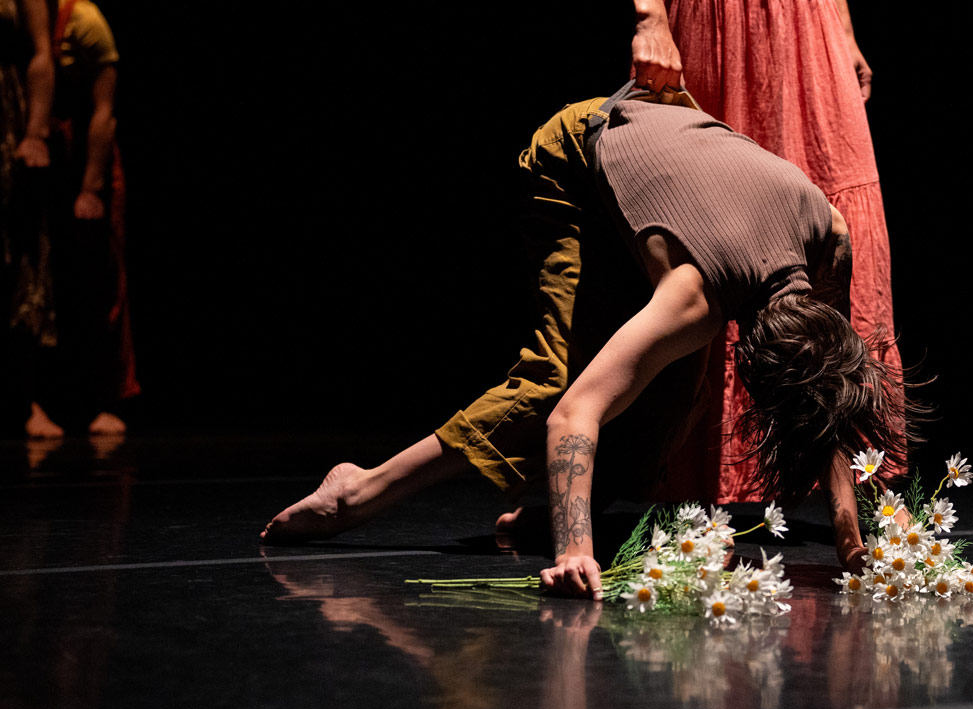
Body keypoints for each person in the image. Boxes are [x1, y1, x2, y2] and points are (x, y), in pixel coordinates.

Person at [262, 87, 917, 596]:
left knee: (671, 386)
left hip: (659, 176)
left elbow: (823, 391)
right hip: (574, 157)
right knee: (560, 381)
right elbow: (577, 414)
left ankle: (553, 513)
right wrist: (575, 554)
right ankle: (361, 489)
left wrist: (850, 536)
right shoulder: (694, 301)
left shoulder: (829, 235)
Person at [606, 0, 903, 502]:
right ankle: (701, 470)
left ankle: (840, 471)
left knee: (837, 204)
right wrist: (649, 14)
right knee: (720, 218)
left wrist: (844, 23)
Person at [4, 0, 139, 436]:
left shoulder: (81, 18)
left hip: (85, 159)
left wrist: (90, 187)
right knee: (33, 281)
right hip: (33, 162)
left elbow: (104, 112)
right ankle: (30, 400)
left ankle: (114, 399)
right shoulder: (12, 17)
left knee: (101, 280)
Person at [0, 0, 57, 436]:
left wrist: (36, 132)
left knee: (17, 259)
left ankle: (22, 398)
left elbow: (41, 54)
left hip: (5, 117)